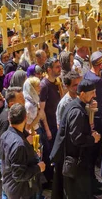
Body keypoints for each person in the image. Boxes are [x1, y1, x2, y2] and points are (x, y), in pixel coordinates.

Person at [51, 79, 101, 199]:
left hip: (72, 160)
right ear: (82, 94)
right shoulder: (77, 111)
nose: (95, 95)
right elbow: (77, 138)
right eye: (92, 92)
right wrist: (92, 139)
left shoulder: (75, 105)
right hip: (73, 162)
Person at [0, 103, 44, 199]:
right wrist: (38, 168)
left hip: (8, 185)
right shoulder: (19, 145)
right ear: (25, 119)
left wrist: (32, 154)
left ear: (9, 118)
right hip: (20, 192)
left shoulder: (5, 135)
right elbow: (19, 175)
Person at [39, 57, 61, 187]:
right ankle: (47, 180)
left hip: (56, 123)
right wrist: (47, 129)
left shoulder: (56, 83)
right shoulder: (44, 86)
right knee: (48, 154)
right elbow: (42, 111)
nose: (59, 69)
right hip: (49, 126)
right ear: (49, 69)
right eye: (57, 67)